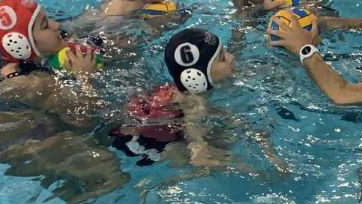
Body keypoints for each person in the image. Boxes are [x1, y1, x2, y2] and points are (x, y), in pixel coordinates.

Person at [0, 0, 127, 204]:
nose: (55, 25)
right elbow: (83, 118)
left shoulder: (15, 64)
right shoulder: (36, 84)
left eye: (47, 17)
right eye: (44, 25)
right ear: (20, 44)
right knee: (110, 170)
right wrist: (85, 79)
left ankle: (67, 187)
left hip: (5, 129)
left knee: (83, 151)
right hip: (10, 142)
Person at [110, 28, 287, 174]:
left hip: (139, 125)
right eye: (223, 58)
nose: (231, 57)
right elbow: (197, 148)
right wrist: (248, 168)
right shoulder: (195, 103)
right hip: (141, 145)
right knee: (224, 147)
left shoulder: (183, 90)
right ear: (196, 77)